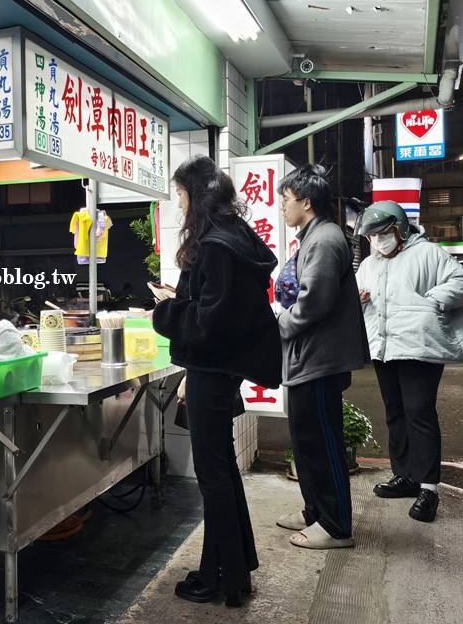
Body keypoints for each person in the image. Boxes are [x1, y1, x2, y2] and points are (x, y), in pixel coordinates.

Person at [151, 155, 281, 608]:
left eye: (181, 195)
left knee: (213, 475)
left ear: (197, 196)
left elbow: (212, 320)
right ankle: (231, 570)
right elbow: (218, 307)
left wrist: (165, 312)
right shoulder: (235, 235)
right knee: (221, 470)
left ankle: (223, 580)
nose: (179, 204)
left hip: (212, 370)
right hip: (222, 370)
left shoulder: (217, 244)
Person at [355, 200, 463, 522]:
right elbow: (361, 293)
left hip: (420, 346)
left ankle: (428, 488)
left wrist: (433, 302)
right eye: (371, 237)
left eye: (382, 234)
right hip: (384, 347)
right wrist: (359, 298)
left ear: (400, 229)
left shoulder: (428, 254)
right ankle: (405, 476)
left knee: (419, 413)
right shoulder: (370, 264)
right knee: (395, 412)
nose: (377, 241)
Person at [275, 164, 369, 550]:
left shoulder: (326, 239)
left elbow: (314, 301)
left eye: (286, 199)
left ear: (306, 202)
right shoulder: (315, 236)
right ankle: (315, 510)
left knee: (323, 442)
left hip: (318, 359)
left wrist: (279, 324)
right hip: (307, 358)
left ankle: (336, 526)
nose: (282, 206)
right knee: (305, 441)